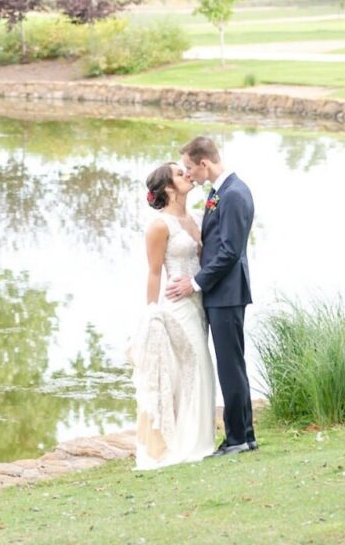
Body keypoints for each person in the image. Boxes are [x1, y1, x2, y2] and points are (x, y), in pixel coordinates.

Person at [165, 135, 257, 456]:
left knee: (230, 367)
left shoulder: (233, 194)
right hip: (222, 293)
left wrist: (196, 282)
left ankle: (237, 440)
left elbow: (230, 251)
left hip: (227, 292)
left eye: (190, 167)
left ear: (205, 163)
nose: (189, 174)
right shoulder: (221, 192)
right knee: (232, 365)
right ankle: (244, 434)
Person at [128, 161, 217, 470]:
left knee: (198, 368)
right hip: (176, 307)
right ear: (168, 187)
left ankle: (200, 437)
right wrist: (151, 317)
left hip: (200, 302)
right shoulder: (160, 225)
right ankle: (186, 442)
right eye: (180, 174)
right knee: (193, 368)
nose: (187, 175)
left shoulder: (197, 217)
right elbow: (153, 274)